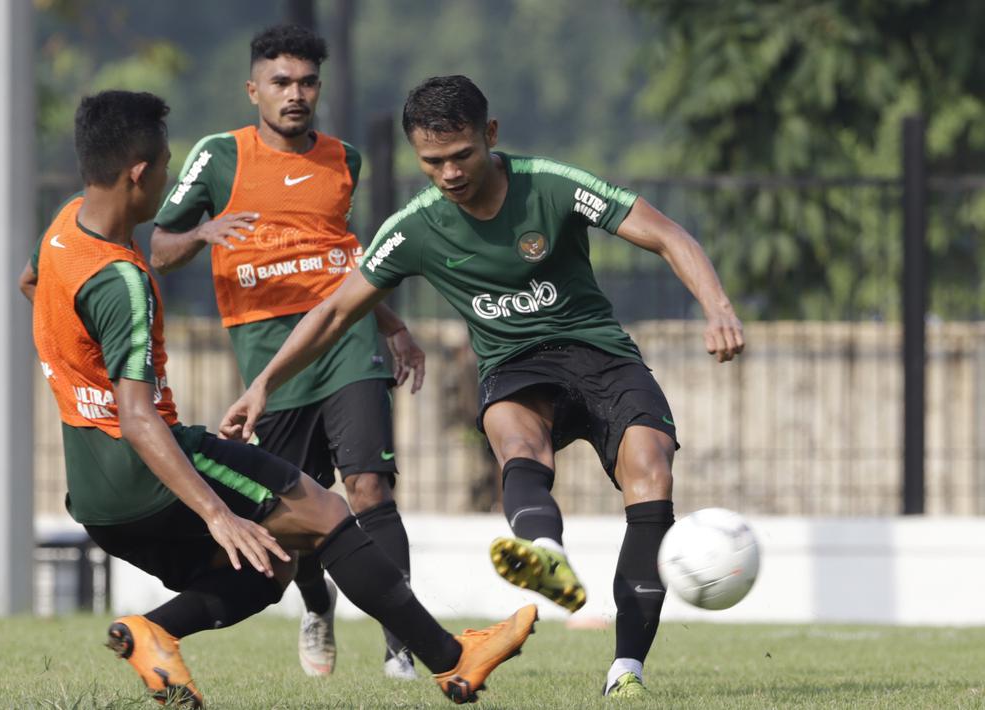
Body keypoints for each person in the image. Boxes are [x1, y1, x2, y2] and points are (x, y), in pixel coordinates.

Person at [220, 75, 745, 699]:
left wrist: (717, 307)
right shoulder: (415, 227)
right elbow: (335, 311)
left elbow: (667, 234)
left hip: (599, 352)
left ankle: (626, 669)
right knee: (517, 441)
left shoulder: (551, 183)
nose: (448, 173)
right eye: (432, 161)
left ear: (489, 136)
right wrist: (264, 385)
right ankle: (546, 552)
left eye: (461, 155)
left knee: (652, 471)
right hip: (514, 365)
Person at [20, 89, 535, 708]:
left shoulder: (62, 231)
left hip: (96, 493)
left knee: (272, 567)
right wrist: (217, 513)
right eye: (164, 169)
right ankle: (453, 660)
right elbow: (136, 416)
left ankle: (155, 631)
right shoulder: (123, 281)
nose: (168, 181)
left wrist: (77, 365)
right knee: (327, 515)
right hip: (147, 463)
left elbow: (30, 283)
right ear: (138, 174)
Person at [151, 24, 424, 680]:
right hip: (266, 349)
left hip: (347, 340)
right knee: (292, 507)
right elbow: (159, 247)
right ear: (254, 90)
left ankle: (399, 645)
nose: (294, 94)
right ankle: (315, 604)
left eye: (305, 83)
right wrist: (202, 233)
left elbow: (338, 261)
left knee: (369, 485)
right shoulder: (218, 156)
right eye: (280, 83)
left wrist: (388, 323)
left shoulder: (344, 159)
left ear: (318, 88)